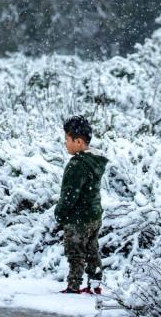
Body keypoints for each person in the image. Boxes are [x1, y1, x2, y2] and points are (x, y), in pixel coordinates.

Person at [55, 115, 107, 294]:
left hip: (78, 218)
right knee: (92, 249)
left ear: (78, 142)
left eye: (67, 140)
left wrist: (60, 213)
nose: (65, 143)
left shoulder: (77, 165)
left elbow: (69, 195)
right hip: (94, 215)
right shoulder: (95, 161)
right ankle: (95, 284)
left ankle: (73, 286)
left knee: (75, 252)